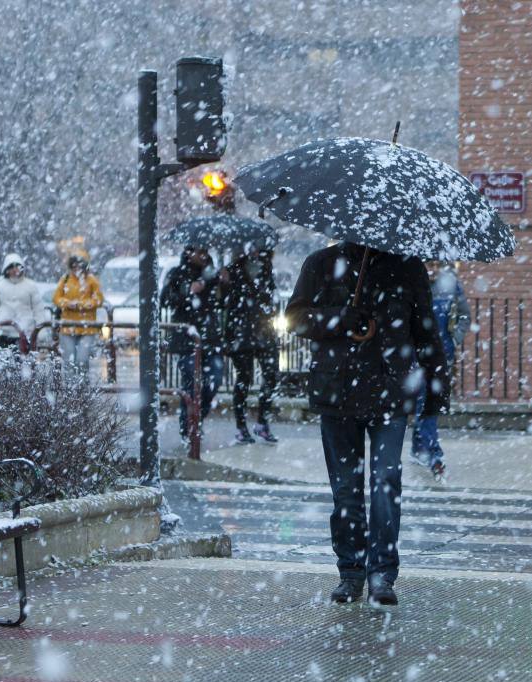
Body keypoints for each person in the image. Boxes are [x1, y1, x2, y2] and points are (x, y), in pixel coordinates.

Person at [286, 243, 449, 607]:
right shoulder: (321, 262)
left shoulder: (407, 269)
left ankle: (382, 573)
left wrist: (436, 390)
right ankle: (351, 571)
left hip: (390, 393)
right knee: (346, 490)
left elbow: (425, 332)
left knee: (385, 483)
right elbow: (295, 318)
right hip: (337, 393)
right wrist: (342, 318)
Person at [411, 261, 471, 480]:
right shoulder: (413, 282)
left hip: (441, 355)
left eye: (435, 262)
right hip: (418, 355)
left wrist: (454, 340)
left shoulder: (452, 285)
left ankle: (419, 450)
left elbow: (465, 316)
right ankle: (434, 455)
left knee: (427, 401)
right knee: (425, 402)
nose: (431, 266)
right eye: (427, 261)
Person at [160, 246, 226, 443]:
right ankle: (187, 425)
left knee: (214, 380)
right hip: (187, 339)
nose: (203, 256)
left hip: (211, 338)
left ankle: (196, 420)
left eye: (206, 252)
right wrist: (188, 292)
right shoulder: (178, 273)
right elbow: (165, 300)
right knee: (191, 384)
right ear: (189, 253)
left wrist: (225, 285)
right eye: (199, 252)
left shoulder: (213, 274)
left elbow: (223, 304)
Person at [224, 249, 279, 444]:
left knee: (271, 376)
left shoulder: (266, 269)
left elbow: (271, 300)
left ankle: (262, 423)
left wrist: (267, 304)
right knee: (244, 379)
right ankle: (241, 426)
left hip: (263, 332)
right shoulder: (233, 270)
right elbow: (226, 302)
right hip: (242, 333)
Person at [52, 250, 104, 374]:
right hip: (67, 326)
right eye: (74, 265)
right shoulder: (65, 279)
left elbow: (99, 299)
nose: (76, 268)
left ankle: (82, 387)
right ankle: (70, 389)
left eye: (79, 265)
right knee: (69, 360)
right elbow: (56, 298)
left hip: (87, 327)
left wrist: (81, 305)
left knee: (82, 359)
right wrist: (67, 303)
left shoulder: (92, 281)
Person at [0, 253, 46, 351]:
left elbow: (38, 310)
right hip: (4, 332)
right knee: (3, 363)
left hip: (25, 333)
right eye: (11, 267)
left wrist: (41, 332)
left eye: (17, 267)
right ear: (6, 270)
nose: (14, 270)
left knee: (24, 363)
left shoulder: (30, 286)